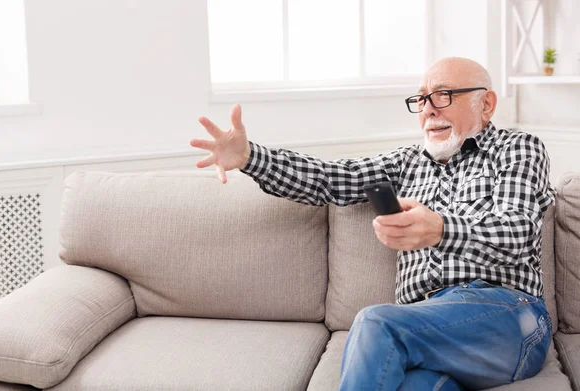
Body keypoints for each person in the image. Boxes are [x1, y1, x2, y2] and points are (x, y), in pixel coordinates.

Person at [189, 57, 555, 391]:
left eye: (442, 96)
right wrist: (252, 158)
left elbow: (517, 231)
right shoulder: (406, 162)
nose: (428, 110)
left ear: (486, 104)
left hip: (508, 316)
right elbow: (330, 177)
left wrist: (441, 228)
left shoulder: (517, 148)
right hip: (422, 324)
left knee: (376, 323)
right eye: (421, 99)